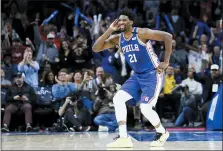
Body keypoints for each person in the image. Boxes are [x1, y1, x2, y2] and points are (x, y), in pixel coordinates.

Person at [92, 9, 172, 148]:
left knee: (145, 108)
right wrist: (110, 30)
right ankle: (124, 137)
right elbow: (96, 48)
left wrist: (166, 62)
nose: (121, 22)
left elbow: (167, 36)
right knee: (118, 98)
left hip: (152, 74)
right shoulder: (118, 38)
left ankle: (162, 132)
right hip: (137, 75)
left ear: (131, 22)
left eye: (124, 20)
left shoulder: (141, 32)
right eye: (119, 20)